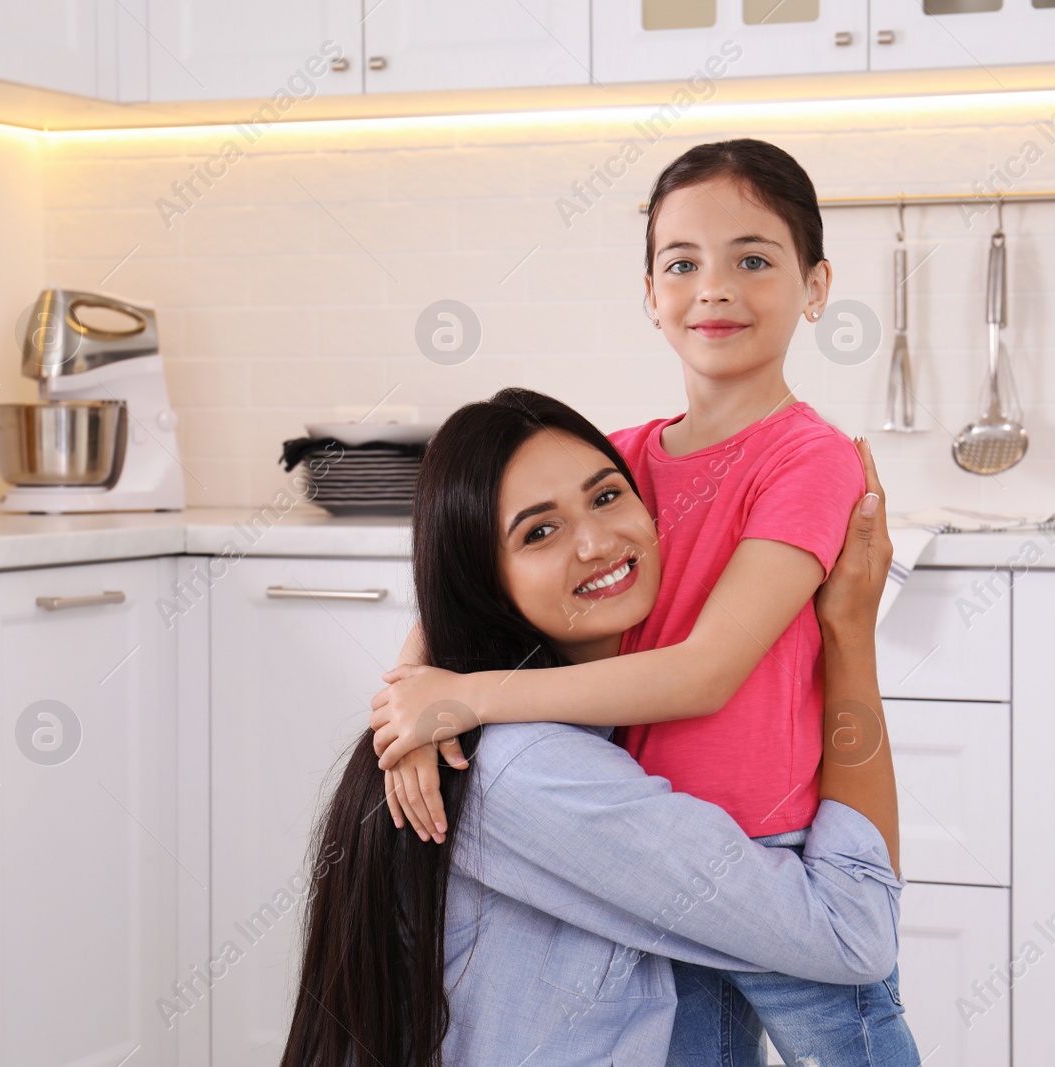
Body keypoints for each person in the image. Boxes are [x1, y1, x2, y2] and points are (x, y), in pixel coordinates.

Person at [371, 139, 919, 1065]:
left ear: (817, 286)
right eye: (682, 263)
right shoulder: (618, 463)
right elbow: (465, 583)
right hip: (659, 840)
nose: (715, 288)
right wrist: (411, 694)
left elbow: (706, 674)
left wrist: (468, 695)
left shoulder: (807, 458)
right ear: (650, 294)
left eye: (754, 259)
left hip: (772, 841)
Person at [280, 388, 906, 1067]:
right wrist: (848, 636)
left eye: (607, 496)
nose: (596, 542)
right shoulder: (537, 772)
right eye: (539, 531)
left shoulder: (545, 723)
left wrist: (422, 679)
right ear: (482, 578)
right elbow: (851, 935)